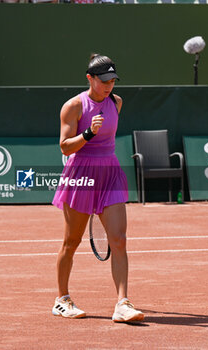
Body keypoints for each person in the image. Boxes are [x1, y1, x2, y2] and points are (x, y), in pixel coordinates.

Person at [52, 53, 144, 322]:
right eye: (103, 80)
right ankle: (62, 299)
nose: (109, 85)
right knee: (71, 241)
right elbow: (64, 146)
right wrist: (88, 134)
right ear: (90, 78)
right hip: (81, 174)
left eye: (113, 80)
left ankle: (122, 304)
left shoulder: (117, 102)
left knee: (119, 240)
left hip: (110, 172)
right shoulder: (73, 106)